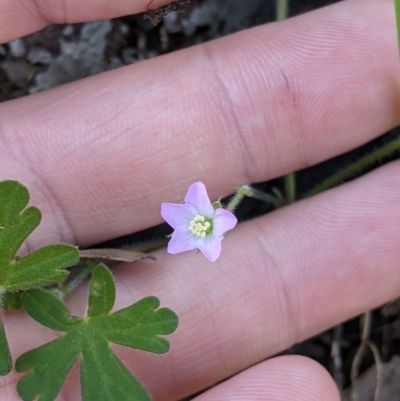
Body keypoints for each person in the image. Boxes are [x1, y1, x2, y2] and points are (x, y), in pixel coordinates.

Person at [0, 0, 398, 399]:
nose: (202, 225)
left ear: (211, 218)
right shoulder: (195, 224)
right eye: (201, 224)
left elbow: (201, 226)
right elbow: (187, 229)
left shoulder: (210, 222)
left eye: (204, 223)